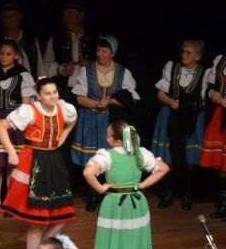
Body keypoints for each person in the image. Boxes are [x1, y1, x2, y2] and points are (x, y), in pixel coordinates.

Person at [83, 122, 168, 249]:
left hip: (116, 206)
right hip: (136, 205)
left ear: (117, 141)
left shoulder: (107, 156)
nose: (106, 139)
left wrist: (100, 188)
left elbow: (88, 172)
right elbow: (164, 168)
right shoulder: (140, 154)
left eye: (108, 136)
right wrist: (143, 184)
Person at [0, 78, 78, 249]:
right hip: (34, 161)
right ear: (39, 96)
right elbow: (0, 127)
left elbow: (72, 120)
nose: (53, 96)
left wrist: (63, 136)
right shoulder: (30, 111)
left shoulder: (64, 108)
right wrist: (12, 152)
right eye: (48, 93)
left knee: (62, 216)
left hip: (54, 161)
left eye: (55, 92)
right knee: (37, 220)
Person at [69, 36, 139, 210]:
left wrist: (111, 101)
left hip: (111, 121)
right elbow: (79, 98)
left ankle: (110, 195)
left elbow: (131, 99)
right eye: (98, 50)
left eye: (104, 51)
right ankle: (93, 195)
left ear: (112, 54)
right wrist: (96, 103)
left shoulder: (123, 72)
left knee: (111, 159)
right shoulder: (87, 71)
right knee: (92, 159)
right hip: (91, 119)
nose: (100, 54)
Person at [0, 41, 36, 216]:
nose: (4, 57)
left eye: (8, 54)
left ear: (16, 56)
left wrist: (13, 120)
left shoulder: (23, 75)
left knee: (12, 163)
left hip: (14, 123)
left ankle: (10, 202)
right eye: (2, 53)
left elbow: (26, 103)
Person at [152, 40, 210, 210]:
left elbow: (204, 99)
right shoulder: (172, 68)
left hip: (191, 118)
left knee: (188, 157)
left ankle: (187, 194)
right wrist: (171, 102)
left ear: (198, 56)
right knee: (168, 156)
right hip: (170, 114)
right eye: (183, 51)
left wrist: (195, 105)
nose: (184, 55)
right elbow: (160, 93)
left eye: (188, 52)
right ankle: (168, 193)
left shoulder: (204, 73)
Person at [40, 2, 94, 102]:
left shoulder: (94, 38)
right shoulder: (56, 39)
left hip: (89, 90)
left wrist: (91, 65)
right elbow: (44, 67)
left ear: (81, 16)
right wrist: (60, 70)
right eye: (64, 15)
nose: (66, 18)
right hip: (64, 91)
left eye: (70, 14)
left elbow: (107, 65)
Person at [0, 2, 41, 75]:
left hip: (30, 80)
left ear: (20, 17)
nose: (10, 19)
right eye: (6, 17)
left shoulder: (30, 39)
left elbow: (40, 65)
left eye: (13, 16)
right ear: (2, 18)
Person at [200, 52, 226, 218]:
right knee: (223, 164)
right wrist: (213, 94)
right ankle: (224, 205)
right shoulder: (221, 60)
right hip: (221, 114)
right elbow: (210, 86)